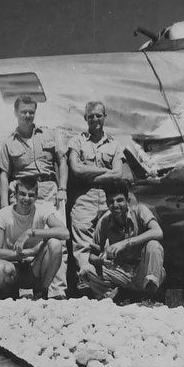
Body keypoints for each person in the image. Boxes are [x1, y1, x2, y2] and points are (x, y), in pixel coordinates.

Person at [0, 95, 68, 299]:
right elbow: (3, 173)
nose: (27, 115)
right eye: (23, 112)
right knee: (24, 242)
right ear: (16, 113)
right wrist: (3, 205)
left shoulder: (49, 134)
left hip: (48, 189)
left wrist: (62, 188)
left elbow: (61, 161)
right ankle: (25, 288)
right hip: (23, 194)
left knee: (56, 240)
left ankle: (56, 291)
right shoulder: (9, 142)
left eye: (31, 112)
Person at [67, 101, 125, 289]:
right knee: (83, 243)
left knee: (108, 241)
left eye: (99, 115)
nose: (95, 119)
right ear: (85, 118)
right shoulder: (77, 142)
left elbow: (118, 173)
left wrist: (89, 172)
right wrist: (102, 172)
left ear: (105, 117)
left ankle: (105, 284)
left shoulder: (115, 145)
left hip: (108, 198)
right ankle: (87, 282)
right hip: (84, 197)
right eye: (90, 116)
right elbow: (75, 168)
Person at [0, 177, 69, 299]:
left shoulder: (42, 210)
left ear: (36, 197)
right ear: (15, 195)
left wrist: (30, 233)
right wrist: (29, 252)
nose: (26, 199)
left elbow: (65, 233)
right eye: (22, 194)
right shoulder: (3, 214)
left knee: (55, 244)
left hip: (36, 266)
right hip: (14, 266)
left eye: (31, 195)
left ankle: (42, 290)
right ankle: (11, 294)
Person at [81, 184, 165, 299]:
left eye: (119, 200)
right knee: (85, 271)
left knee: (153, 245)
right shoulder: (104, 221)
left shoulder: (140, 210)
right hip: (120, 271)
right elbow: (92, 256)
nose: (115, 205)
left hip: (143, 270)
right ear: (107, 204)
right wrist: (101, 261)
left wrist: (126, 243)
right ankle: (113, 295)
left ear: (128, 201)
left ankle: (150, 296)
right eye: (111, 202)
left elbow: (158, 232)